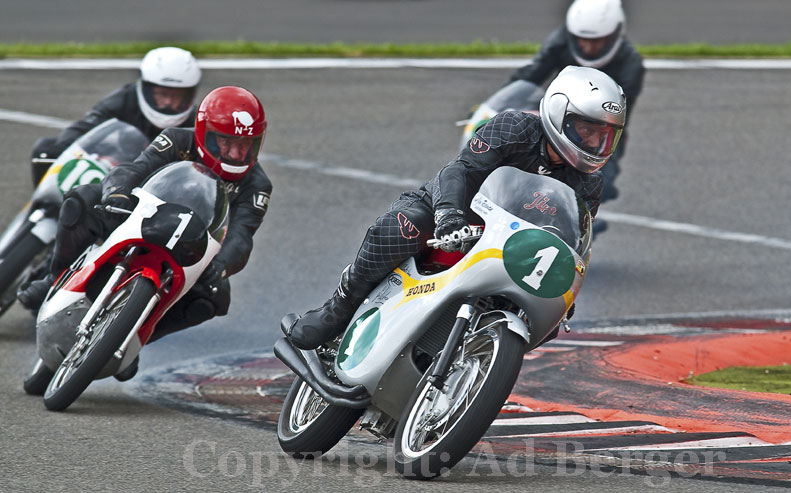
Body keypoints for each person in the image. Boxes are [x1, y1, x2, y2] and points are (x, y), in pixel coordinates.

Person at [286, 66, 626, 350]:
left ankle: (473, 364)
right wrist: (448, 214)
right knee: (405, 224)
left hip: (510, 246)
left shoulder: (589, 183)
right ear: (558, 113)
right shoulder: (515, 128)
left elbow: (571, 240)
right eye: (586, 130)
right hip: (453, 213)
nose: (595, 143)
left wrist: (564, 285)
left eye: (604, 136)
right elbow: (460, 171)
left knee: (548, 323)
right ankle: (338, 309)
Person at [19, 86, 273, 380]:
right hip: (141, 218)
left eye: (246, 145)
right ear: (206, 133)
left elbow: (242, 235)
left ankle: (138, 337)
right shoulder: (178, 140)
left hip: (191, 251)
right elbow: (135, 168)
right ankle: (56, 276)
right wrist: (117, 194)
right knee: (81, 200)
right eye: (226, 142)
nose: (236, 153)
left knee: (215, 299)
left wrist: (223, 264)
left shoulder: (258, 186)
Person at [507, 0, 644, 231]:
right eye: (582, 40)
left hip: (600, 127)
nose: (588, 48)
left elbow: (618, 117)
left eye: (596, 41)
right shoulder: (559, 41)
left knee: (600, 173)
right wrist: (502, 100)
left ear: (614, 35)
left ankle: (578, 217)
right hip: (553, 111)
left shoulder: (631, 64)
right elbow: (531, 74)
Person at [28, 46, 202, 188]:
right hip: (114, 178)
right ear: (147, 88)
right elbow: (86, 125)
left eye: (178, 96)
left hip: (160, 189)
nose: (168, 102)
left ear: (190, 95)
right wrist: (63, 146)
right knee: (45, 150)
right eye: (162, 94)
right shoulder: (124, 100)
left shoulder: (195, 122)